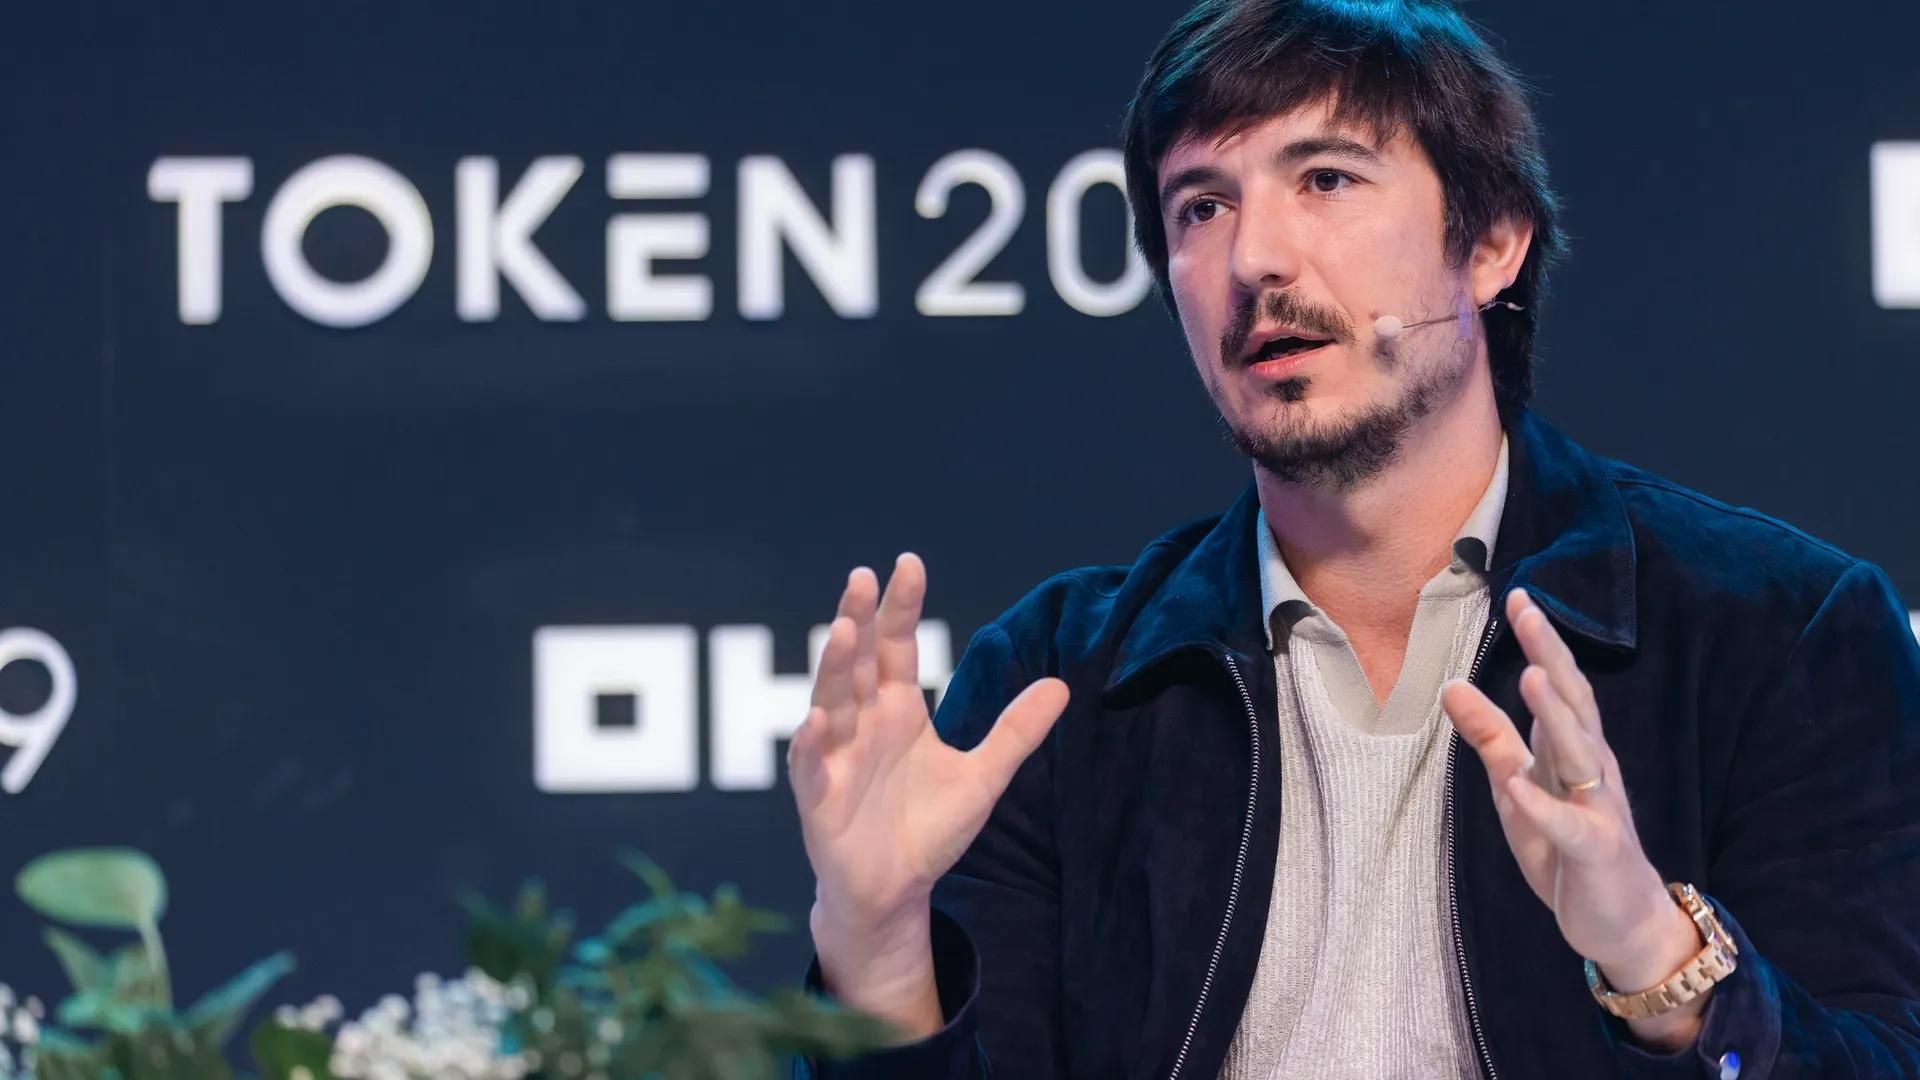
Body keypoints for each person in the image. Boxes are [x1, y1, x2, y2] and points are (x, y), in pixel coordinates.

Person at [784, 0, 1920, 1076]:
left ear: (1492, 243)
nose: (1255, 260)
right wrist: (877, 947)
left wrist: (1657, 960)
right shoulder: (1058, 683)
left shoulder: (1782, 634)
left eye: (1325, 178)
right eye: (1201, 207)